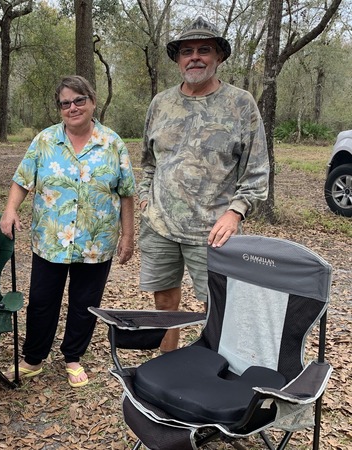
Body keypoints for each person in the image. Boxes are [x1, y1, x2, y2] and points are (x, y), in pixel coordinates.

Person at [138, 16, 270, 352]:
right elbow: (148, 161)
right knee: (165, 302)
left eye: (203, 50)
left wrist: (235, 212)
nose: (194, 57)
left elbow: (255, 172)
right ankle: (168, 362)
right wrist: (144, 196)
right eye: (187, 51)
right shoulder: (160, 103)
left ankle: (215, 368)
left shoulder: (241, 105)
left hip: (212, 231)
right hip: (160, 225)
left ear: (219, 57)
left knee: (218, 306)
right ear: (178, 59)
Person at [1, 75, 136, 388]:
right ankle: (33, 359)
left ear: (92, 101)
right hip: (51, 240)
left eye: (79, 100)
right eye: (65, 103)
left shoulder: (112, 143)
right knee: (41, 301)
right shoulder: (45, 141)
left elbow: (127, 192)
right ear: (59, 109)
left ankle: (73, 357)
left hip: (96, 241)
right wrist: (10, 210)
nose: (73, 107)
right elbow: (22, 180)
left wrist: (128, 236)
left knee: (84, 302)